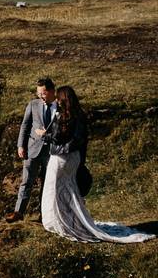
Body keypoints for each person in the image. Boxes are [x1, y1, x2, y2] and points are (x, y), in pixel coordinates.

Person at [39, 86, 154, 243]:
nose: (57, 101)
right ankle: (69, 220)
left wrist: (46, 136)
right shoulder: (77, 115)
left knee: (55, 190)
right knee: (67, 190)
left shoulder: (66, 116)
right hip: (71, 158)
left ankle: (61, 222)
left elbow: (64, 139)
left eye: (59, 98)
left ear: (63, 99)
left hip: (62, 158)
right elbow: (76, 140)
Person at [6, 77, 57, 222]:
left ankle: (44, 215)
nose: (41, 96)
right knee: (26, 182)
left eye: (44, 93)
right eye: (38, 93)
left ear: (52, 91)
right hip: (32, 150)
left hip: (52, 153)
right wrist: (20, 145)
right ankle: (18, 212)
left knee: (47, 185)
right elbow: (25, 125)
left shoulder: (61, 107)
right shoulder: (33, 105)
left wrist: (49, 135)